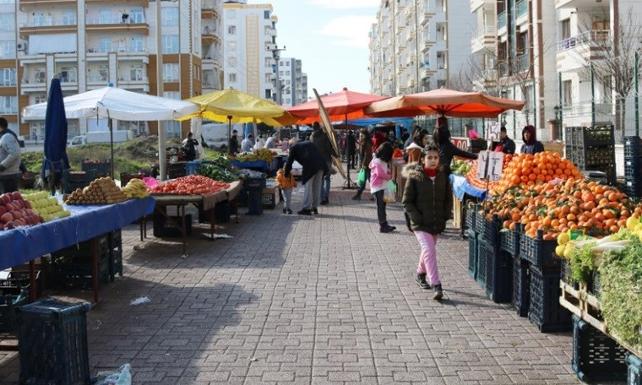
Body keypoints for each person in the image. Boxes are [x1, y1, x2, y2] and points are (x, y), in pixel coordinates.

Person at [402, 144, 450, 300]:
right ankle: (436, 285)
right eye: (429, 157)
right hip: (420, 223)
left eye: (436, 157)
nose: (433, 160)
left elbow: (447, 199)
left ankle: (420, 274)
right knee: (430, 250)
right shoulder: (415, 176)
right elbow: (407, 201)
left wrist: (445, 215)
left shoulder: (442, 176)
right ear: (423, 159)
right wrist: (416, 217)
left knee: (427, 251)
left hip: (436, 222)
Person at [284, 139, 328, 215]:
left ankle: (306, 209)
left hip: (310, 167)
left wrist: (286, 174)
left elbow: (289, 162)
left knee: (308, 187)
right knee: (316, 187)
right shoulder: (308, 143)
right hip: (321, 165)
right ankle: (314, 207)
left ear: (291, 145)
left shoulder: (294, 148)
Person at [370, 142, 395, 233]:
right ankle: (383, 225)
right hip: (377, 187)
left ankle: (385, 224)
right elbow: (380, 173)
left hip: (382, 186)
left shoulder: (382, 161)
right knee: (380, 207)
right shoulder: (376, 161)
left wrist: (389, 172)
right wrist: (389, 176)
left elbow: (385, 171)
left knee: (383, 206)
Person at [310, 122, 336, 205]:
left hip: (317, 161)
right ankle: (326, 197)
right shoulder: (325, 136)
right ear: (319, 127)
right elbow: (329, 148)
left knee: (320, 180)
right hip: (326, 160)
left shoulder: (311, 137)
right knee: (327, 179)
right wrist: (336, 155)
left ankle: (321, 198)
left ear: (313, 128)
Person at [0, 118, 21, 194]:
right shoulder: (3, 137)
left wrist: (2, 166)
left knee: (9, 201)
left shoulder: (7, 136)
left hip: (8, 176)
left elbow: (15, 153)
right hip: (5, 175)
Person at [352, 128, 372, 200]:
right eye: (360, 134)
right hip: (366, 164)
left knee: (366, 180)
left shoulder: (367, 143)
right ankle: (359, 194)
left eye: (361, 134)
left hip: (367, 164)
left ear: (365, 135)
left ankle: (359, 194)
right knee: (367, 179)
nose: (360, 136)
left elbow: (367, 154)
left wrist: (363, 164)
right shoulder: (363, 142)